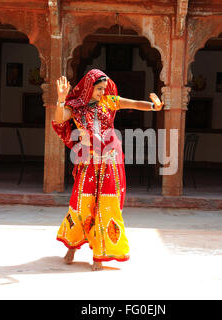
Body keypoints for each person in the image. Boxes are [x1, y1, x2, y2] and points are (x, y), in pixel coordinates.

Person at [52, 69, 163, 271]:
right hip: (88, 162)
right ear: (88, 87)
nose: (102, 92)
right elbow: (59, 119)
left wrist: (154, 107)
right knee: (82, 204)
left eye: (104, 89)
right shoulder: (76, 107)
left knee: (107, 206)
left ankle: (99, 254)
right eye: (99, 89)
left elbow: (135, 104)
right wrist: (61, 99)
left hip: (111, 161)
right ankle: (72, 246)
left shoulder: (109, 101)